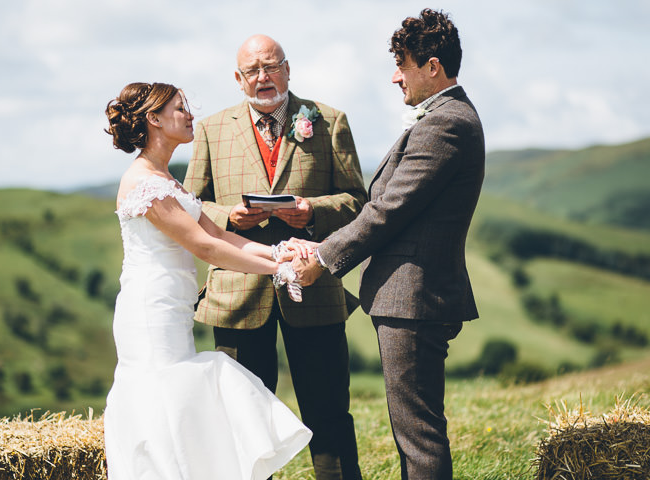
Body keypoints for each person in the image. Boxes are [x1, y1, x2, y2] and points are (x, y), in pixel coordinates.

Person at [291, 9, 485, 480]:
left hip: (413, 298)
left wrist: (321, 255)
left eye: (403, 64)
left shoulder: (447, 123)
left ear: (432, 67)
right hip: (408, 298)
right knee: (413, 430)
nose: (395, 76)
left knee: (417, 436)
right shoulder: (442, 118)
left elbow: (388, 209)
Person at [102, 82, 312, 480]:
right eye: (181, 108)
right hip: (150, 311)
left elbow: (222, 237)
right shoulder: (143, 182)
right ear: (154, 119)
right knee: (162, 402)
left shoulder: (167, 179)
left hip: (171, 307)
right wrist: (277, 271)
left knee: (177, 402)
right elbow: (205, 249)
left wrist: (278, 251)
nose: (191, 114)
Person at [184, 34, 367, 480]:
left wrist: (312, 211)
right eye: (253, 70)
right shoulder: (211, 128)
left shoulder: (328, 120)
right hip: (237, 294)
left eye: (272, 66)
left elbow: (358, 202)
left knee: (328, 415)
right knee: (240, 422)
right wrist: (231, 215)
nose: (263, 78)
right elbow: (190, 205)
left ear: (288, 68)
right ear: (238, 78)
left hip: (314, 286)